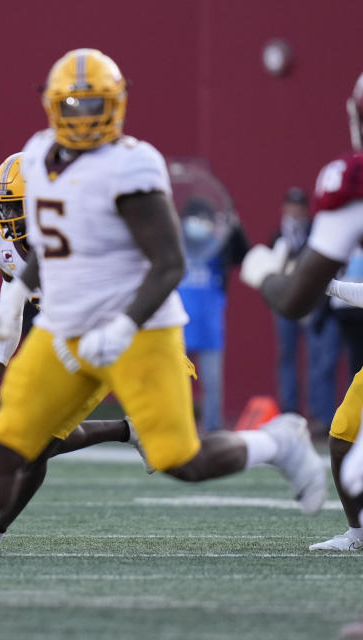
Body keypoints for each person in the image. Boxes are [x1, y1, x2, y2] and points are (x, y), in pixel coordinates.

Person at [0, 48, 325, 603]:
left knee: (179, 460)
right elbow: (45, 248)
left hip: (139, 324)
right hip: (65, 325)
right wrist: (16, 294)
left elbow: (169, 262)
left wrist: (123, 326)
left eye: (91, 102)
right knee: (8, 444)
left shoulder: (133, 164)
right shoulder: (38, 155)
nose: (80, 115)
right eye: (71, 103)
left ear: (116, 104)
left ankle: (277, 443)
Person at [0, 152, 150, 556]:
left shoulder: (78, 234)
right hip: (58, 341)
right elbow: (12, 309)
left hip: (103, 340)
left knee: (34, 445)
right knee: (33, 441)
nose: (8, 216)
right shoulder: (3, 245)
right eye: (3, 207)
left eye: (16, 206)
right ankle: (130, 430)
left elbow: (137, 282)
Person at [244, 71, 363, 553]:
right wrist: (332, 287)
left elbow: (292, 301)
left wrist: (262, 273)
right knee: (342, 438)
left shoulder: (352, 180)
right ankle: (359, 533)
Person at [270, 187, 342, 435]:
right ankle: (289, 412)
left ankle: (319, 415)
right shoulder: (279, 234)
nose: (295, 211)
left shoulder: (315, 232)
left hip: (312, 303)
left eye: (299, 206)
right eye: (291, 205)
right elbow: (271, 268)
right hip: (286, 303)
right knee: (286, 357)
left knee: (317, 359)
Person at [176, 197, 248, 432]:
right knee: (177, 382)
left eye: (203, 219)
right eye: (193, 219)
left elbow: (242, 255)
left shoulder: (218, 245)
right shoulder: (178, 244)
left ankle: (212, 431)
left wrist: (234, 229)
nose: (197, 224)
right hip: (179, 325)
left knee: (212, 384)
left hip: (209, 327)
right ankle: (179, 428)